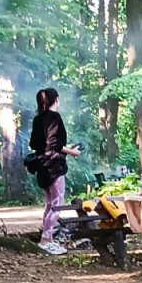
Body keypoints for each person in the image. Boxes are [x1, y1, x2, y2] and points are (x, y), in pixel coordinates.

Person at [29, 88, 81, 255]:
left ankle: (47, 239)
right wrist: (73, 152)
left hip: (41, 165)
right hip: (54, 166)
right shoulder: (54, 118)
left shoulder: (38, 119)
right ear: (56, 99)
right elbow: (55, 144)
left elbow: (33, 143)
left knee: (49, 204)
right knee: (57, 204)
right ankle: (46, 240)